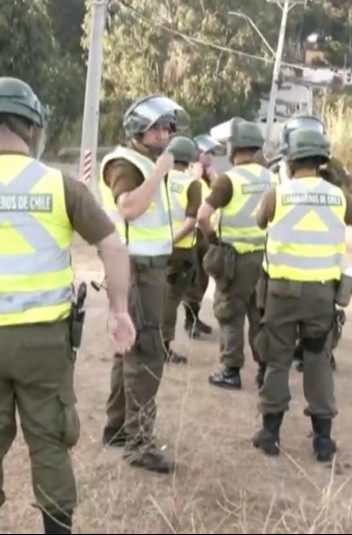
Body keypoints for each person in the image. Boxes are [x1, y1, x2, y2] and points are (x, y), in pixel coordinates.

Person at [0, 77, 136, 534]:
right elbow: (114, 248)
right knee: (50, 441)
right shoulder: (61, 186)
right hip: (43, 342)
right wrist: (119, 312)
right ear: (34, 130)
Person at [253, 128, 352, 461]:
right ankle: (322, 440)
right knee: (318, 360)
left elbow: (261, 222)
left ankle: (270, 433)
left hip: (282, 292)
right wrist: (351, 187)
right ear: (321, 161)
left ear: (290, 160)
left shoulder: (279, 194)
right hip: (321, 294)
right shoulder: (337, 197)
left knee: (277, 360)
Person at [98, 93, 188, 474]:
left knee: (129, 348)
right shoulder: (125, 163)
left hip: (146, 267)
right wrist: (160, 170)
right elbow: (130, 207)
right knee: (147, 351)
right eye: (158, 127)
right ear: (138, 128)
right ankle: (139, 442)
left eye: (168, 127)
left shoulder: (144, 161)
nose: (165, 134)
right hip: (135, 268)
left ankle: (118, 427)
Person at [268, 115, 352, 375]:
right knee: (319, 314)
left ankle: (294, 359)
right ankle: (318, 356)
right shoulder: (330, 166)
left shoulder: (283, 168)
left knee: (280, 328)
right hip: (321, 266)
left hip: (284, 263)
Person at [197, 118, 273, 390]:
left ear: (233, 147)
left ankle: (231, 371)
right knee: (260, 315)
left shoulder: (228, 180)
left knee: (230, 313)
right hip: (265, 260)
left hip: (235, 260)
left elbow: (202, 216)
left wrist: (213, 239)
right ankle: (265, 370)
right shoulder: (271, 178)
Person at [159, 135, 204, 364]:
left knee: (158, 297)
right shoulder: (191, 184)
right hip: (180, 250)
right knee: (171, 299)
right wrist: (172, 240)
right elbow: (191, 221)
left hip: (158, 247)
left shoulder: (160, 178)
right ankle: (163, 346)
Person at [181, 134, 219, 338]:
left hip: (205, 232)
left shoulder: (209, 177)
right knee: (192, 281)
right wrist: (195, 178)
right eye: (207, 153)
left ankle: (194, 318)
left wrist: (214, 182)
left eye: (212, 153)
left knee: (203, 279)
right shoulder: (187, 174)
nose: (210, 157)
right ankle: (190, 322)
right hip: (191, 232)